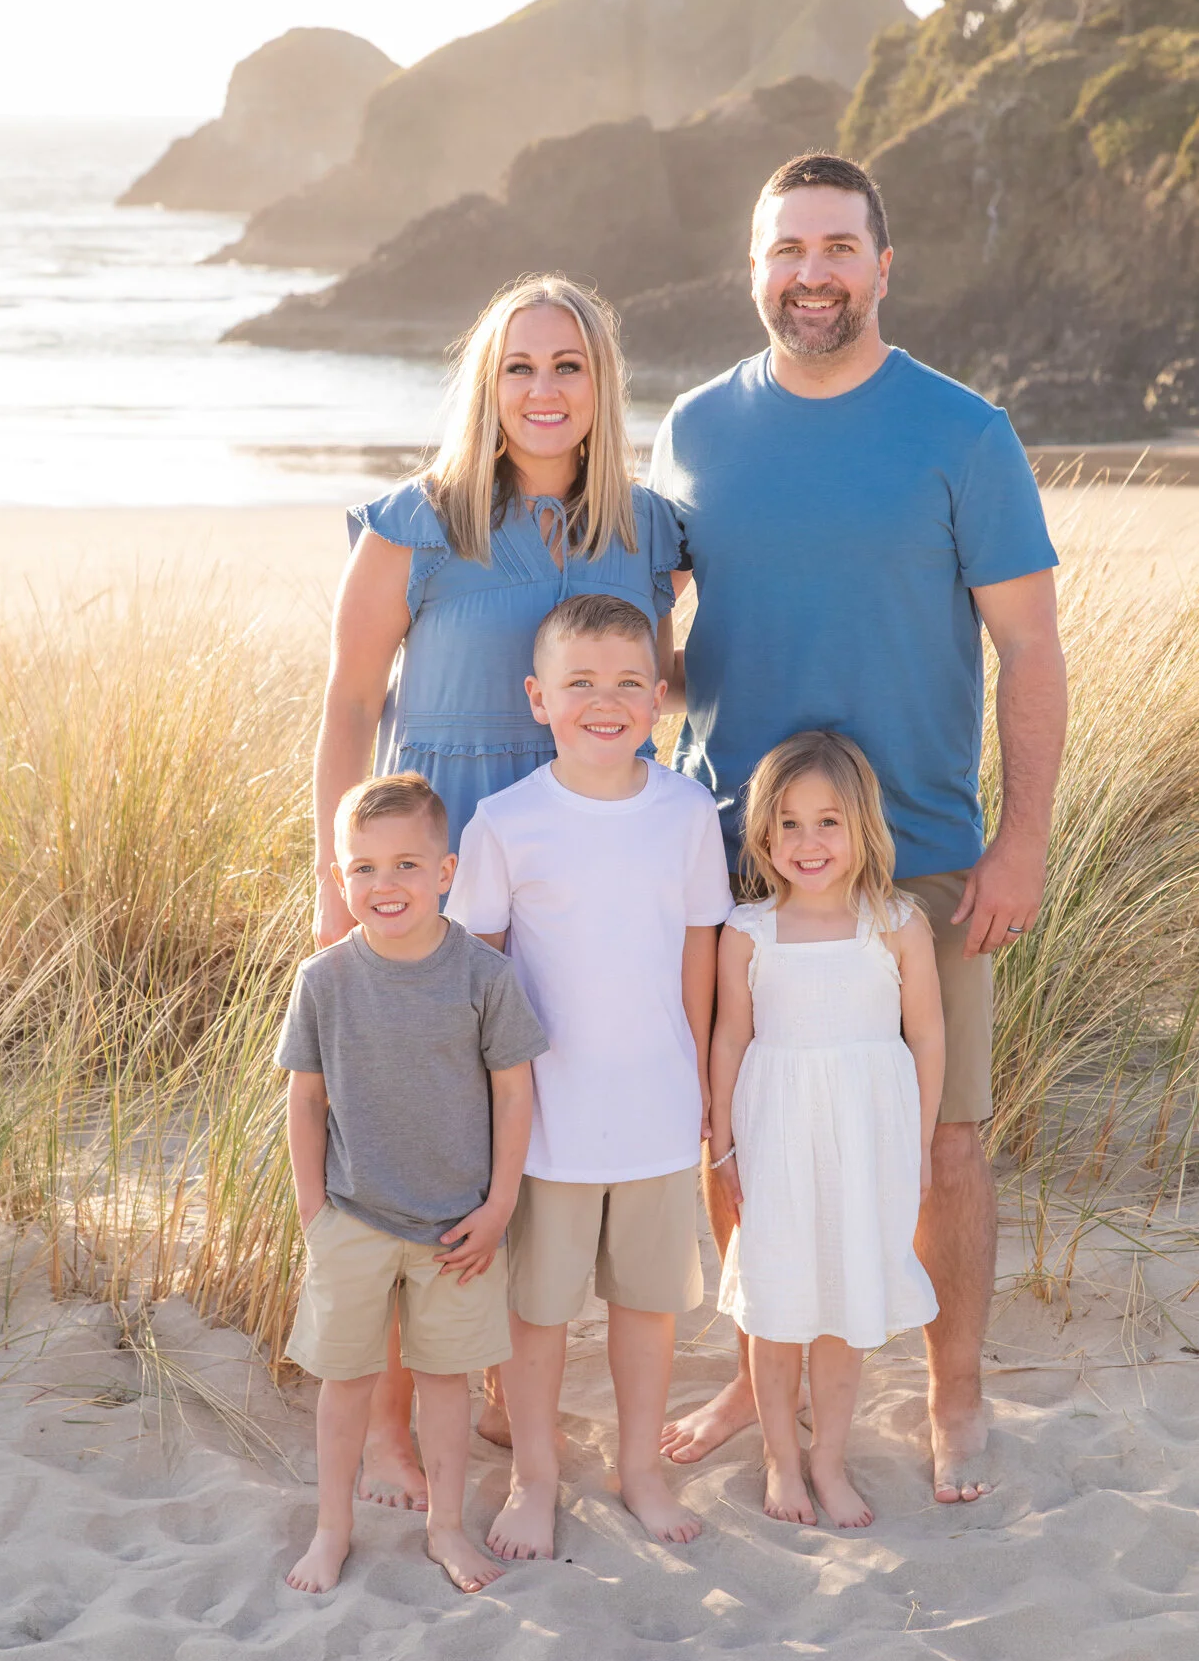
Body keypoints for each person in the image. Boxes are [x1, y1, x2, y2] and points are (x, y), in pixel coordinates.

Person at [651, 152, 1067, 1504]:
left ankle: (954, 1393)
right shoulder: (698, 430)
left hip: (930, 857)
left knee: (946, 1139)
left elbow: (1031, 648)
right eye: (787, 250)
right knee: (739, 1130)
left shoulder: (963, 433)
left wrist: (1022, 842)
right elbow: (658, 645)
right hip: (735, 861)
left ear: (883, 267)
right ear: (753, 267)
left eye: (838, 248)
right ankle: (753, 1365)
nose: (812, 274)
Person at [313, 275, 685, 1510]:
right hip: (440, 875)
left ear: (600, 386)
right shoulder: (412, 524)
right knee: (418, 1143)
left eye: (567, 366)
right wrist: (337, 883)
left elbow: (652, 683)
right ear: (486, 382)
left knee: (536, 1129)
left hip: (591, 875)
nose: (542, 391)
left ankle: (493, 1393)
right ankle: (382, 1431)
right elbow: (351, 706)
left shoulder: (652, 531)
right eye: (518, 367)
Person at [446, 593, 731, 1558]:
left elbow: (699, 955)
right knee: (539, 1315)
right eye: (578, 684)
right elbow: (476, 971)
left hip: (654, 1105)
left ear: (658, 697)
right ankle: (534, 1475)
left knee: (648, 1308)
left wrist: (698, 1081)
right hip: (546, 1120)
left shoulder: (687, 811)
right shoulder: (505, 822)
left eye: (624, 684)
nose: (601, 702)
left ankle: (639, 1468)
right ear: (538, 698)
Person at [277, 773, 547, 1594]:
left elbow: (513, 1091)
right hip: (353, 1217)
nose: (382, 886)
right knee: (345, 1382)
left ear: (445, 872)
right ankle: (332, 1530)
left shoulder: (481, 976)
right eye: (361, 868)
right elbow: (305, 1097)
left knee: (444, 1384)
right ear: (338, 876)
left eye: (404, 866)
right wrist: (313, 1211)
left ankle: (447, 1530)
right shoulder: (323, 979)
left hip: (456, 1225)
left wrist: (500, 1205)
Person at [710, 730, 944, 1527]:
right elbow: (730, 1038)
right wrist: (722, 1139)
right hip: (774, 1131)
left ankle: (828, 1459)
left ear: (862, 827)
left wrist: (915, 1144)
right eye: (788, 823)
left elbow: (928, 1036)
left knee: (846, 1303)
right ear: (764, 836)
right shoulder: (748, 930)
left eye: (828, 822)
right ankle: (779, 1458)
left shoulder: (896, 922)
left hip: (867, 1135)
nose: (808, 843)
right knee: (776, 1303)